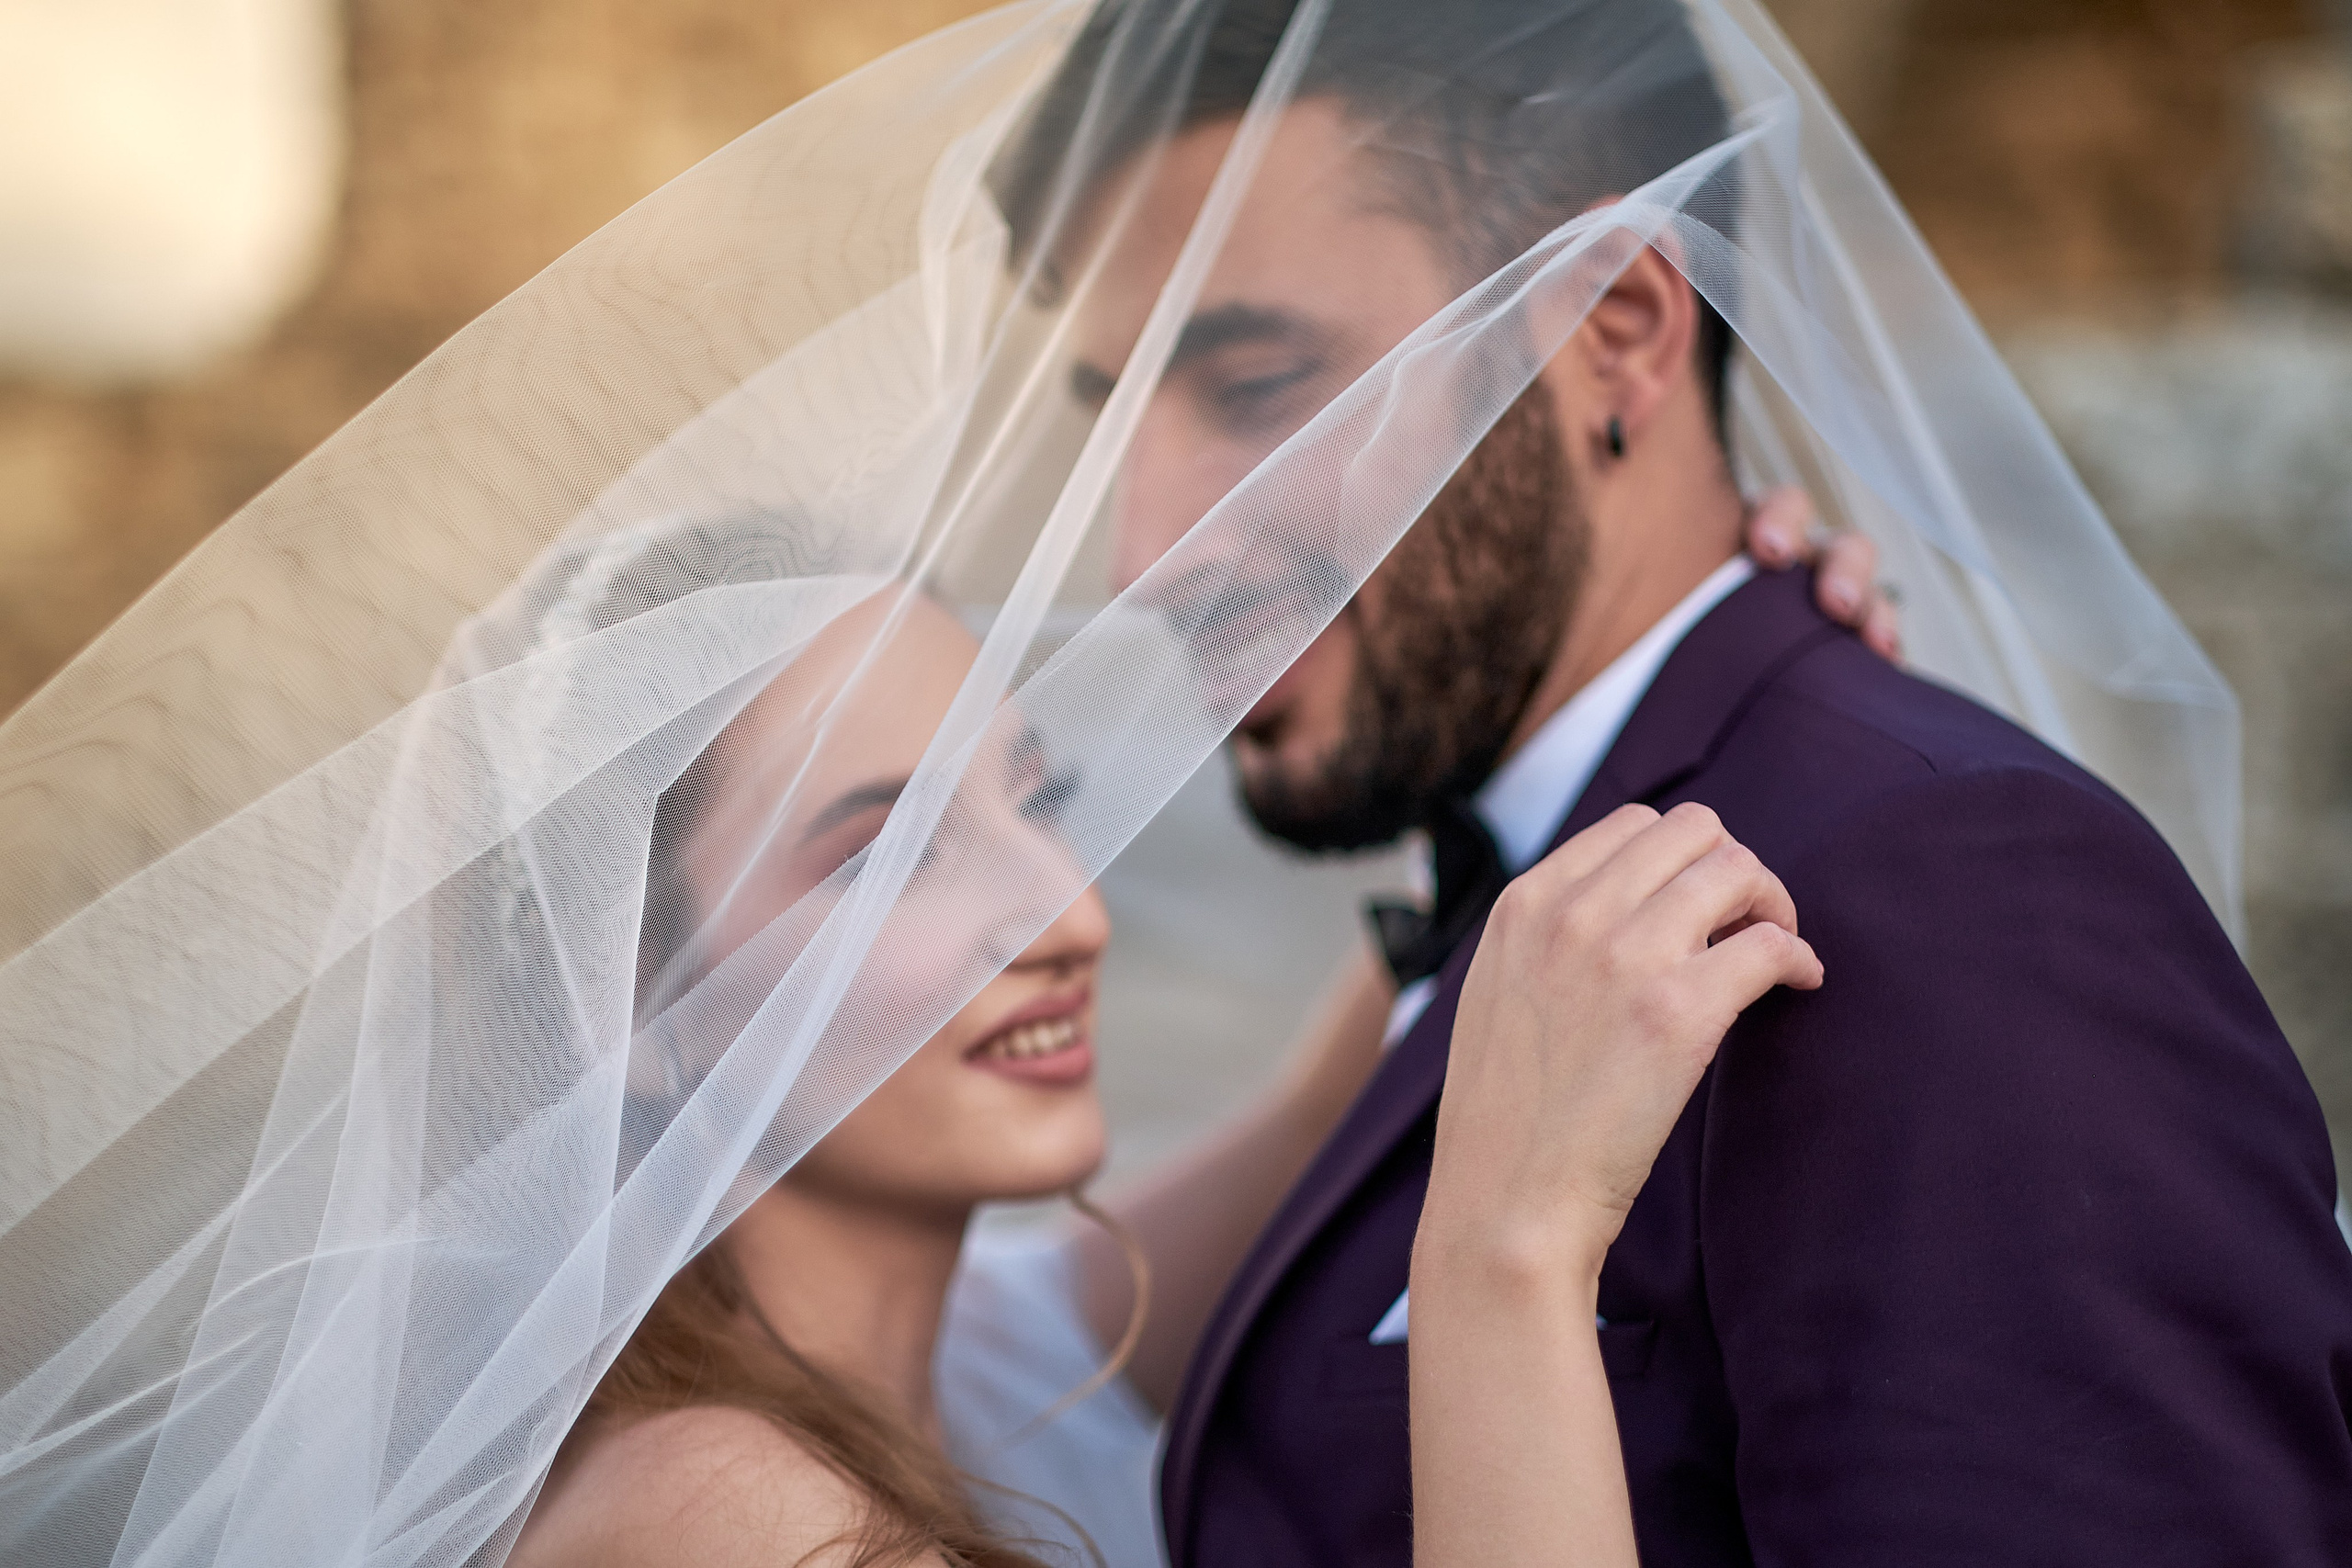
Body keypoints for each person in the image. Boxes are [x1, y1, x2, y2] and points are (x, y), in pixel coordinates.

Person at [1010, 3, 2352, 1563]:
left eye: (1254, 385)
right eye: (1113, 418)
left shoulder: (1946, 891)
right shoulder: (1540, 892)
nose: (1143, 553)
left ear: (1622, 330)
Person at [504, 583, 1828, 1568]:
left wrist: (1684, 655)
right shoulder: (734, 1524)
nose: (1069, 916)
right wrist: (1509, 1254)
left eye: (1036, 802)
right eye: (890, 855)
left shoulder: (952, 1364)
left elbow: (1325, 1110)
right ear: (631, 1012)